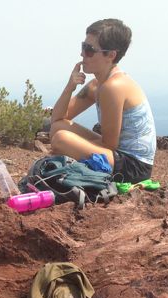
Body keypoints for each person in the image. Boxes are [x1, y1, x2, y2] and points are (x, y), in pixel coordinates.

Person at [50, 19, 156, 183]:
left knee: (61, 139)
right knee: (59, 129)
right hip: (117, 155)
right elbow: (57, 118)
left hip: (133, 166)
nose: (82, 54)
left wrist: (72, 146)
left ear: (111, 55)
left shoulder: (113, 87)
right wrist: (70, 86)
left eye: (89, 50)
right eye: (83, 47)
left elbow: (109, 145)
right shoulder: (96, 85)